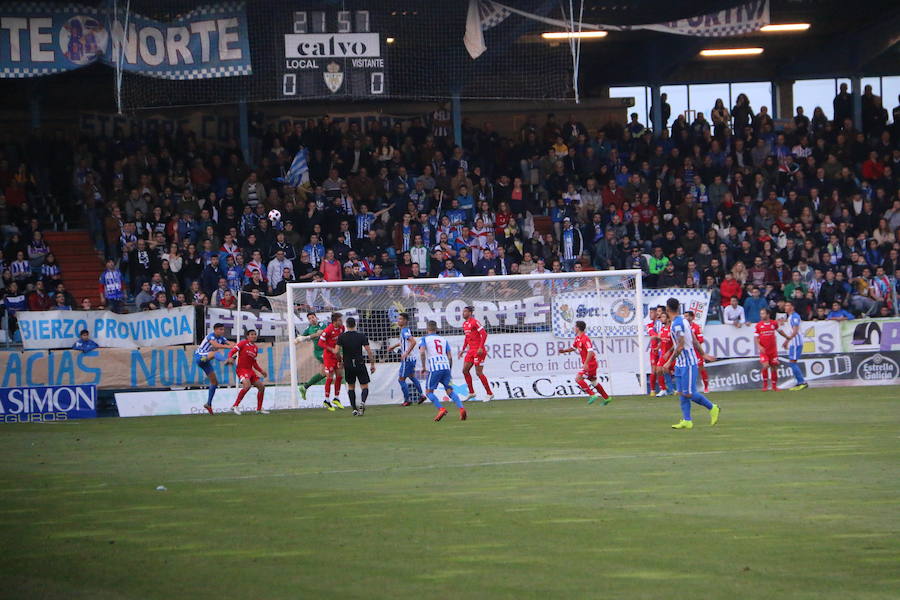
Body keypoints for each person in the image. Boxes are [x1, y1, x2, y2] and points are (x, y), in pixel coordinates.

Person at [663, 297, 719, 430]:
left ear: (668, 309)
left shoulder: (677, 324)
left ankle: (712, 407)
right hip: (680, 363)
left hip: (688, 362)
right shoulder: (683, 321)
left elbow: (681, 345)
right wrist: (703, 353)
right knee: (682, 392)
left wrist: (668, 362)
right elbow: (693, 339)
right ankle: (687, 420)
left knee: (688, 393)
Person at [418, 320, 467, 422]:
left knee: (428, 392)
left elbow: (422, 352)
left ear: (427, 329)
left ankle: (441, 409)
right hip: (446, 368)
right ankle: (461, 408)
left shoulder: (424, 339)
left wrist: (423, 367)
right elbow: (450, 357)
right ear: (436, 329)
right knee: (450, 390)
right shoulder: (443, 340)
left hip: (435, 368)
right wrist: (449, 370)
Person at [559, 320, 611, 405]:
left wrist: (586, 363)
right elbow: (573, 348)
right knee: (594, 382)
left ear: (578, 328)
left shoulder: (585, 338)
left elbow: (590, 351)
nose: (573, 328)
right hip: (590, 364)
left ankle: (592, 395)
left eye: (575, 327)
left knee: (578, 378)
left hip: (590, 364)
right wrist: (564, 351)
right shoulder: (578, 338)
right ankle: (607, 398)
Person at [336, 317, 376, 416]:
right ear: (355, 325)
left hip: (348, 364)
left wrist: (340, 361)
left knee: (351, 386)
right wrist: (372, 364)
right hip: (359, 363)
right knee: (364, 386)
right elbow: (369, 351)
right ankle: (362, 403)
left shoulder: (342, 337)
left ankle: (354, 409)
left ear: (346, 325)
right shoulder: (361, 336)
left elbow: (336, 351)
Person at [195, 323, 235, 414]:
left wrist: (236, 346)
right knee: (214, 353)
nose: (222, 331)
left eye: (223, 330)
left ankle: (208, 404)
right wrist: (228, 347)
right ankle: (225, 360)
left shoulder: (222, 338)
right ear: (215, 330)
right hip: (200, 357)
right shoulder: (211, 336)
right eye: (220, 329)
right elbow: (216, 345)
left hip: (205, 360)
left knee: (214, 382)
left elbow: (231, 343)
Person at [228, 329, 269, 415]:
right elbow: (232, 351)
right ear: (247, 336)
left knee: (261, 387)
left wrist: (261, 371)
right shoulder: (243, 343)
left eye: (255, 334)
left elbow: (254, 363)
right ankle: (235, 406)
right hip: (242, 370)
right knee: (247, 385)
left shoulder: (255, 348)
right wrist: (230, 357)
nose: (254, 336)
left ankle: (259, 409)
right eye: (252, 334)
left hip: (250, 371)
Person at [459, 304, 494, 402]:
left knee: (478, 372)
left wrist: (480, 347)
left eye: (465, 311)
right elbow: (467, 337)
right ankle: (471, 392)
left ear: (470, 313)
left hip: (479, 351)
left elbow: (484, 334)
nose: (463, 313)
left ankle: (489, 394)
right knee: (465, 370)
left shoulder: (475, 322)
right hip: (471, 351)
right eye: (463, 311)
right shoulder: (465, 324)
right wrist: (463, 349)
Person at [389, 312, 425, 406]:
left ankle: (407, 400)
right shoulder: (405, 330)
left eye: (400, 319)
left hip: (407, 360)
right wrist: (393, 346)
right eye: (398, 318)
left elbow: (413, 342)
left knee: (401, 379)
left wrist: (406, 353)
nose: (398, 320)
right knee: (412, 377)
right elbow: (403, 342)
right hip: (411, 359)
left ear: (405, 321)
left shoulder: (404, 330)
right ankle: (421, 395)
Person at [294, 312, 327, 401]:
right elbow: (301, 337)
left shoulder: (322, 324)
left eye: (313, 317)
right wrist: (297, 340)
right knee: (331, 369)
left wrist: (305, 338)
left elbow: (319, 333)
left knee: (324, 373)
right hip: (319, 352)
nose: (312, 319)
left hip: (326, 350)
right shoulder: (308, 328)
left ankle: (304, 387)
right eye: (309, 318)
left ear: (316, 317)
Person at [317, 312, 345, 411]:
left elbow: (341, 342)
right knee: (330, 377)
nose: (341, 321)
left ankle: (336, 398)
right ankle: (326, 400)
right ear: (334, 321)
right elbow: (320, 342)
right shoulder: (328, 330)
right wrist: (331, 349)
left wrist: (340, 353)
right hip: (328, 356)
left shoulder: (342, 328)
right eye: (340, 320)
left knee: (339, 375)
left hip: (337, 355)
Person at [780, 300, 808, 391]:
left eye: (787, 305)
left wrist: (786, 341)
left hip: (796, 342)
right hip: (793, 342)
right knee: (792, 362)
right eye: (785, 305)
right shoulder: (791, 317)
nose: (785, 307)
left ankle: (802, 382)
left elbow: (795, 331)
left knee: (792, 362)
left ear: (792, 307)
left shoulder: (795, 317)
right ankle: (799, 382)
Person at [754, 308, 781, 392]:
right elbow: (755, 337)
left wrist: (787, 337)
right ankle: (765, 385)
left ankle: (774, 386)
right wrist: (759, 346)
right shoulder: (758, 325)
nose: (761, 315)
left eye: (763, 314)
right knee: (765, 365)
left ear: (768, 314)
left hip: (773, 351)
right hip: (764, 351)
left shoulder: (774, 323)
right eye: (761, 314)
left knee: (774, 367)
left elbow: (779, 330)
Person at [685, 310, 710, 394]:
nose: (686, 318)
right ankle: (690, 388)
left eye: (688, 316)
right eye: (685, 316)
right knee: (688, 369)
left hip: (696, 351)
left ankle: (706, 386)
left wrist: (693, 343)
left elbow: (701, 340)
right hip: (687, 352)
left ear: (692, 317)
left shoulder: (696, 327)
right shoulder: (684, 327)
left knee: (701, 368)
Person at [645, 306, 662, 396]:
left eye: (652, 312)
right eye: (649, 312)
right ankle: (652, 390)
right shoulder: (649, 325)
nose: (650, 315)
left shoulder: (662, 323)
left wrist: (659, 336)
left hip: (663, 349)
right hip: (654, 350)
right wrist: (660, 336)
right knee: (654, 370)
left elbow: (657, 336)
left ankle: (665, 388)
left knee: (664, 369)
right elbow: (653, 334)